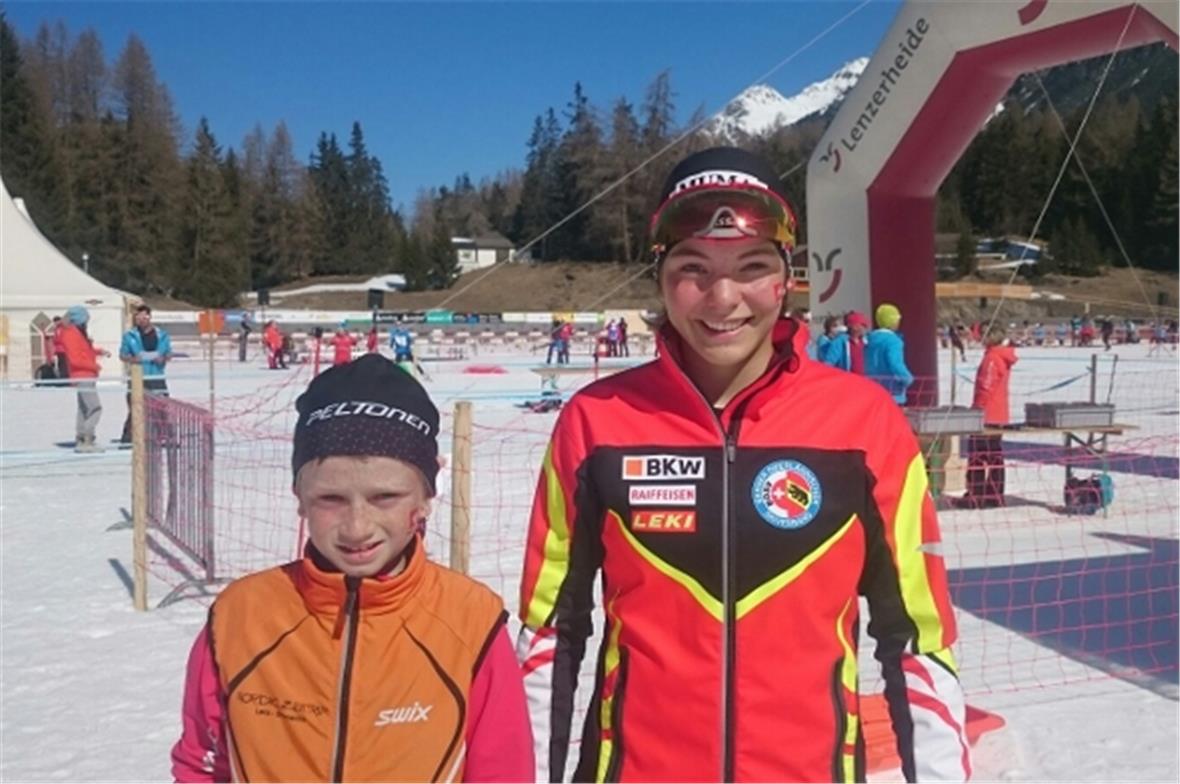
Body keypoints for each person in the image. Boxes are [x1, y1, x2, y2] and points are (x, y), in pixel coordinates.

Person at [517, 147, 968, 783]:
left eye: (752, 267)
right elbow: (549, 638)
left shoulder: (865, 423)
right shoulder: (595, 422)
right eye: (693, 267)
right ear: (661, 276)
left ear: (787, 278)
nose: (722, 298)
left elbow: (918, 642)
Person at [171, 355, 533, 782]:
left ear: (425, 498)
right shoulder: (240, 616)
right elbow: (204, 763)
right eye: (331, 500)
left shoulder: (470, 621)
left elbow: (503, 771)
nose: (357, 527)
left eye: (385, 497)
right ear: (299, 495)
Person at [957, 326, 1017, 509]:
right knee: (994, 455)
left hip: (987, 414)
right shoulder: (1001, 356)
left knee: (977, 455)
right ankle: (994, 494)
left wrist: (976, 409)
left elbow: (986, 386)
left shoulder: (992, 358)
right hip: (998, 413)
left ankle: (976, 495)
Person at [119, 304, 173, 444]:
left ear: (150, 316)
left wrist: (164, 358)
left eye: (144, 316)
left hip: (156, 375)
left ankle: (166, 436)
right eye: (138, 316)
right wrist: (133, 359)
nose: (142, 319)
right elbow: (123, 355)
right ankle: (129, 438)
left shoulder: (162, 335)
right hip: (138, 376)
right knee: (135, 407)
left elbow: (168, 353)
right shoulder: (129, 336)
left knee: (161, 407)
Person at [58, 305, 107, 453]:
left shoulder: (77, 332)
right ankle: (87, 438)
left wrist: (98, 352)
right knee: (95, 408)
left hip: (86, 374)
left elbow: (84, 350)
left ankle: (81, 438)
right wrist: (94, 366)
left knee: (84, 408)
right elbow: (75, 359)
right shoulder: (70, 334)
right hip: (83, 374)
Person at [865, 303, 915, 405]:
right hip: (892, 390)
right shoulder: (894, 341)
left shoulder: (869, 339)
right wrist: (907, 379)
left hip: (873, 387)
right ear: (893, 321)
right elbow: (895, 363)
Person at [845, 310, 870, 375]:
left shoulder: (866, 341)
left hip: (865, 380)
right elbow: (829, 363)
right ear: (855, 326)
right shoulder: (842, 342)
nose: (865, 328)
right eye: (863, 325)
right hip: (848, 380)